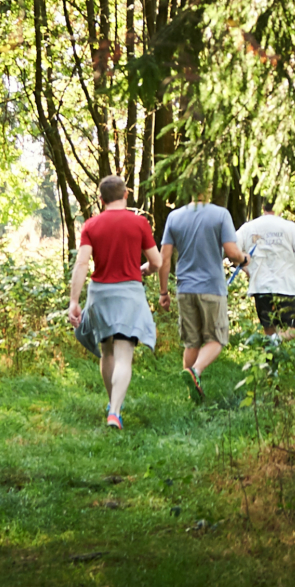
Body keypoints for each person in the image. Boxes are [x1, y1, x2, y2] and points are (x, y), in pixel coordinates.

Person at [68, 175, 160, 429]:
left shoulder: (91, 225)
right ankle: (115, 412)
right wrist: (146, 269)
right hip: (129, 293)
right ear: (126, 195)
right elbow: (157, 261)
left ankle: (112, 402)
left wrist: (74, 301)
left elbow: (82, 263)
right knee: (123, 355)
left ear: (101, 200)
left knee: (106, 350)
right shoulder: (139, 223)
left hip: (100, 294)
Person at [158, 182, 245, 404]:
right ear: (208, 188)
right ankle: (195, 371)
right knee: (217, 339)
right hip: (212, 288)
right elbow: (232, 252)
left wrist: (163, 292)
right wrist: (244, 259)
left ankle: (192, 394)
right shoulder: (220, 214)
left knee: (192, 342)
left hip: (185, 289)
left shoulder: (174, 217)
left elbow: (165, 258)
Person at [232, 200, 295, 335]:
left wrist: (245, 269)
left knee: (269, 329)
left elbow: (232, 250)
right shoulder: (289, 226)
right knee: (293, 330)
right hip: (285, 286)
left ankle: (272, 350)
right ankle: (277, 344)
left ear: (263, 207)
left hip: (261, 286)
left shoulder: (250, 227)